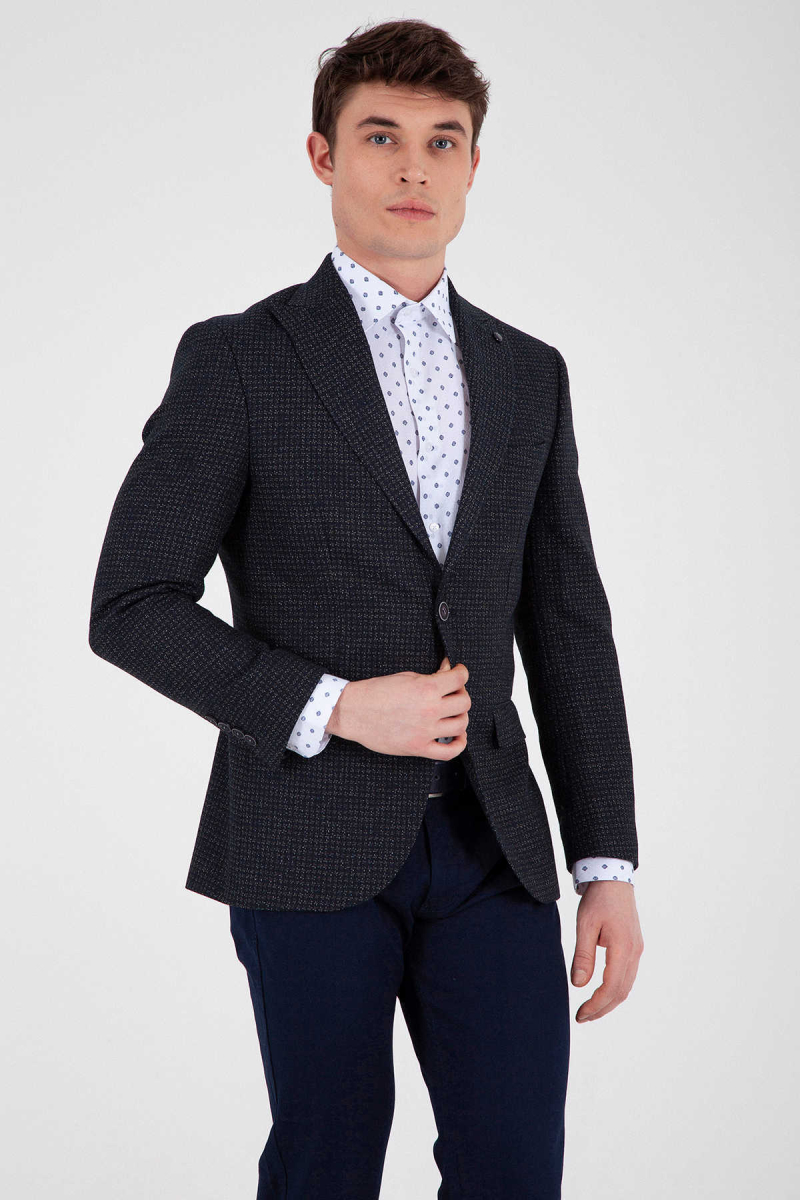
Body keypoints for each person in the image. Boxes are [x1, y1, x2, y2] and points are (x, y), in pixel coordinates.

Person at [89, 17, 643, 1199]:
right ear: (321, 155)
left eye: (442, 141)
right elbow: (130, 603)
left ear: (473, 165)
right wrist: (334, 705)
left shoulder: (527, 372)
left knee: (514, 1171)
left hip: (493, 847)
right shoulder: (240, 359)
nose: (412, 167)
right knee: (325, 1169)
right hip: (302, 839)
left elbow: (566, 629)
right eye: (380, 136)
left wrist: (605, 862)